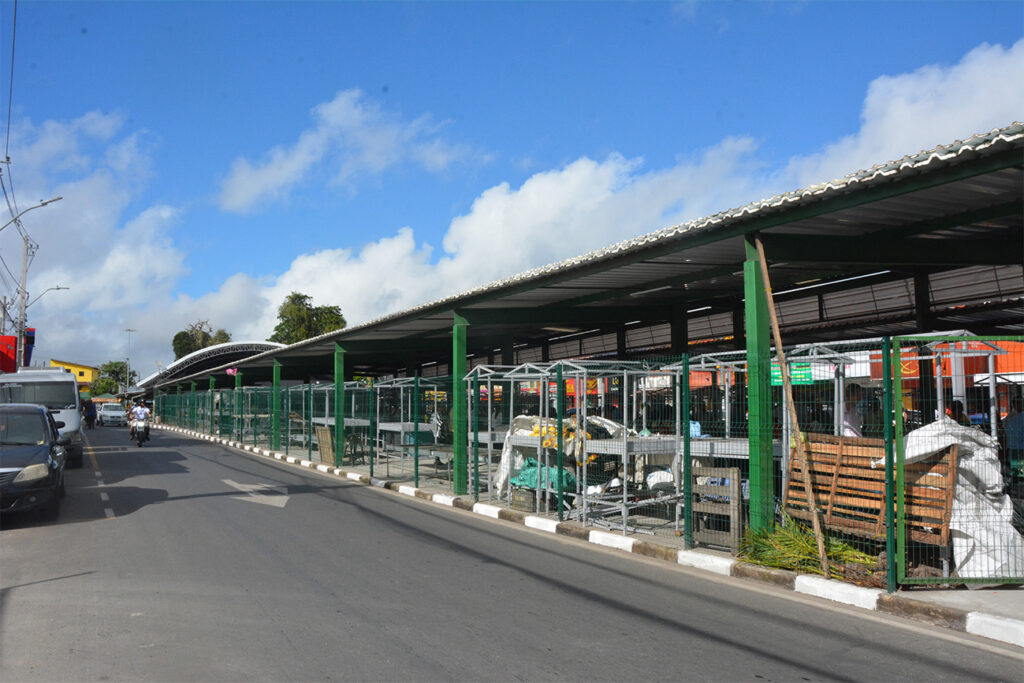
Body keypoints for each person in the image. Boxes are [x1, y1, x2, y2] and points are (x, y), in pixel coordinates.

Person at [1003, 397, 1024, 483]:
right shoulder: (1010, 417)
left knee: (1018, 473)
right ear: (1014, 405)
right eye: (1018, 403)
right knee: (1018, 474)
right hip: (1016, 448)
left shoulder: (1011, 418)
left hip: (1017, 447)